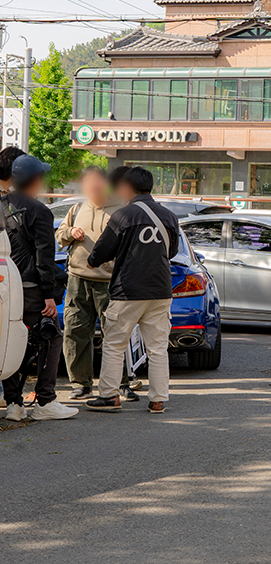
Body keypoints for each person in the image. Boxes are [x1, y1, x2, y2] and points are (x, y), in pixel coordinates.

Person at [85, 167, 179, 415]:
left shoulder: (122, 215)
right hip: (160, 290)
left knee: (114, 344)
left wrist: (92, 261)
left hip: (128, 290)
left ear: (127, 187)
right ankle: (158, 400)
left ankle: (109, 396)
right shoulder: (169, 216)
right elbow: (171, 252)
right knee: (157, 348)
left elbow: (102, 250)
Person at [2, 155, 77, 421]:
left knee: (8, 340)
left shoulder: (1, 205)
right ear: (36, 180)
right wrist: (48, 295)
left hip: (5, 286)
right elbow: (44, 257)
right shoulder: (40, 211)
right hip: (31, 288)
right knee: (51, 337)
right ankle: (45, 401)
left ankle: (13, 403)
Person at [55, 166, 137, 402]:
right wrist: (70, 232)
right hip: (77, 280)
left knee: (116, 334)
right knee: (75, 331)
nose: (93, 186)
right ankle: (81, 384)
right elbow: (59, 235)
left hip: (110, 282)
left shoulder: (121, 209)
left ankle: (121, 383)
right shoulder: (76, 209)